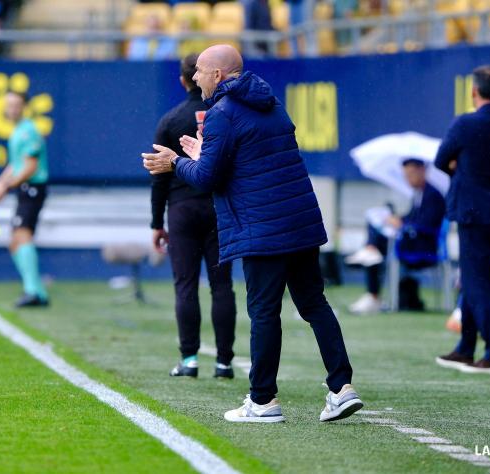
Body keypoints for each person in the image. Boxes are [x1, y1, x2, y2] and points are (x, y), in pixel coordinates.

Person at [142, 44, 363, 423]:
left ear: (217, 75)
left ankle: (262, 401)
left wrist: (175, 162)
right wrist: (201, 155)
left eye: (200, 72)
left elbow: (208, 178)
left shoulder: (221, 115)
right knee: (314, 305)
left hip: (263, 228)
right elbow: (246, 162)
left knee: (263, 312)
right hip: (299, 221)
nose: (194, 78)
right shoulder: (271, 103)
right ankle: (342, 388)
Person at [151, 53, 237, 379]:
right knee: (222, 286)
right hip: (218, 208)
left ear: (183, 80)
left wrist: (156, 223)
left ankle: (189, 360)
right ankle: (224, 362)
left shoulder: (170, 120)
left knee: (185, 285)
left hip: (182, 208)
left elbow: (159, 175)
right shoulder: (224, 114)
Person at [434, 65, 490, 374]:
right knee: (477, 276)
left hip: (473, 212)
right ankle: (465, 347)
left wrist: (461, 169)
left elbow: (441, 160)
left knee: (475, 279)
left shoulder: (466, 123)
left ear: (474, 92)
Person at [346, 158, 446, 314]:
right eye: (405, 175)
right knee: (376, 229)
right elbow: (412, 217)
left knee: (376, 247)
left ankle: (373, 293)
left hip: (422, 247)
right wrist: (398, 219)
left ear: (422, 170)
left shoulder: (433, 195)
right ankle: (370, 256)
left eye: (411, 174)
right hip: (411, 241)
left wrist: (402, 224)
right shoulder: (418, 194)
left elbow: (426, 225)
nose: (408, 179)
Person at [0, 91, 50, 307]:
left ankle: (34, 292)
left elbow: (30, 167)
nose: (11, 109)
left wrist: (5, 186)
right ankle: (37, 291)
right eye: (8, 105)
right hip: (24, 189)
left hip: (33, 189)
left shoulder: (28, 131)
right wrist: (0, 182)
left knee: (22, 236)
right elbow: (16, 164)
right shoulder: (18, 131)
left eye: (15, 105)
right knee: (15, 242)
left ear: (24, 106)